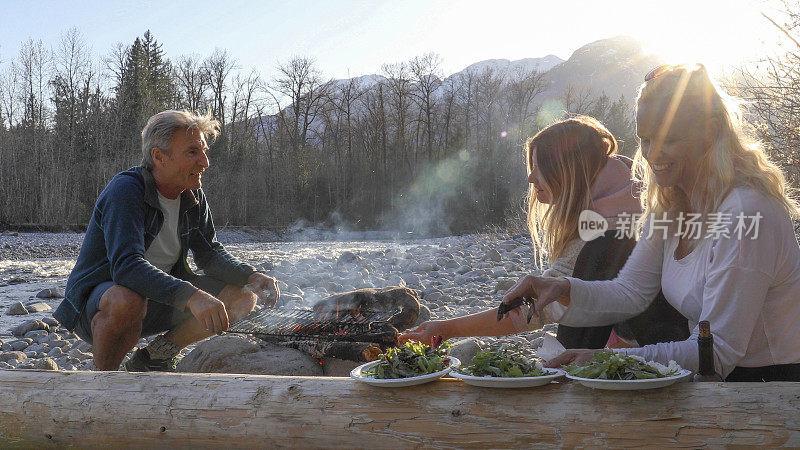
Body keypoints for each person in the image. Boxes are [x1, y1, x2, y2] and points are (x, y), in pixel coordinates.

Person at [506, 64, 800, 382]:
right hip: (711, 376)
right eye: (644, 139)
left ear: (711, 131)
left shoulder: (746, 214)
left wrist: (604, 358)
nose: (651, 153)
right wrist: (561, 287)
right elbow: (630, 292)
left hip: (768, 389)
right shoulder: (672, 206)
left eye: (668, 139)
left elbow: (718, 352)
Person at [400, 116, 688, 348]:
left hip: (679, 346)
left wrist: (448, 329)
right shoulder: (615, 196)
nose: (530, 177)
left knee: (594, 267)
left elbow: (539, 309)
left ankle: (568, 386)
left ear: (567, 170)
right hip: (661, 337)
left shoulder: (613, 225)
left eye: (539, 166)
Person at [54, 110, 280, 372]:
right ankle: (105, 381)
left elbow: (210, 254)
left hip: (157, 301)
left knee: (243, 296)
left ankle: (156, 356)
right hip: (99, 306)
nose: (204, 162)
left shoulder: (192, 193)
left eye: (204, 151)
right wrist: (192, 296)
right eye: (192, 152)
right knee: (127, 299)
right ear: (159, 157)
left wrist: (252, 275)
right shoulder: (126, 190)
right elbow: (126, 267)